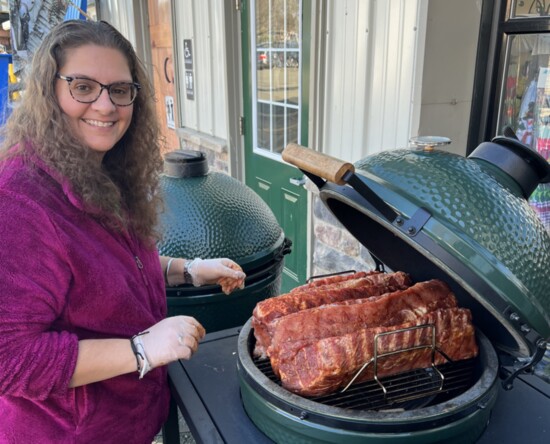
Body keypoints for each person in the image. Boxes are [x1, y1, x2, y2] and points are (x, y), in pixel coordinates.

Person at [0, 19, 246, 443]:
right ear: (49, 91)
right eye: (82, 87)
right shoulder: (20, 201)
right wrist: (141, 349)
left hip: (127, 421)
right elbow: (9, 360)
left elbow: (108, 266)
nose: (105, 106)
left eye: (119, 90)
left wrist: (187, 269)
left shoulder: (103, 166)